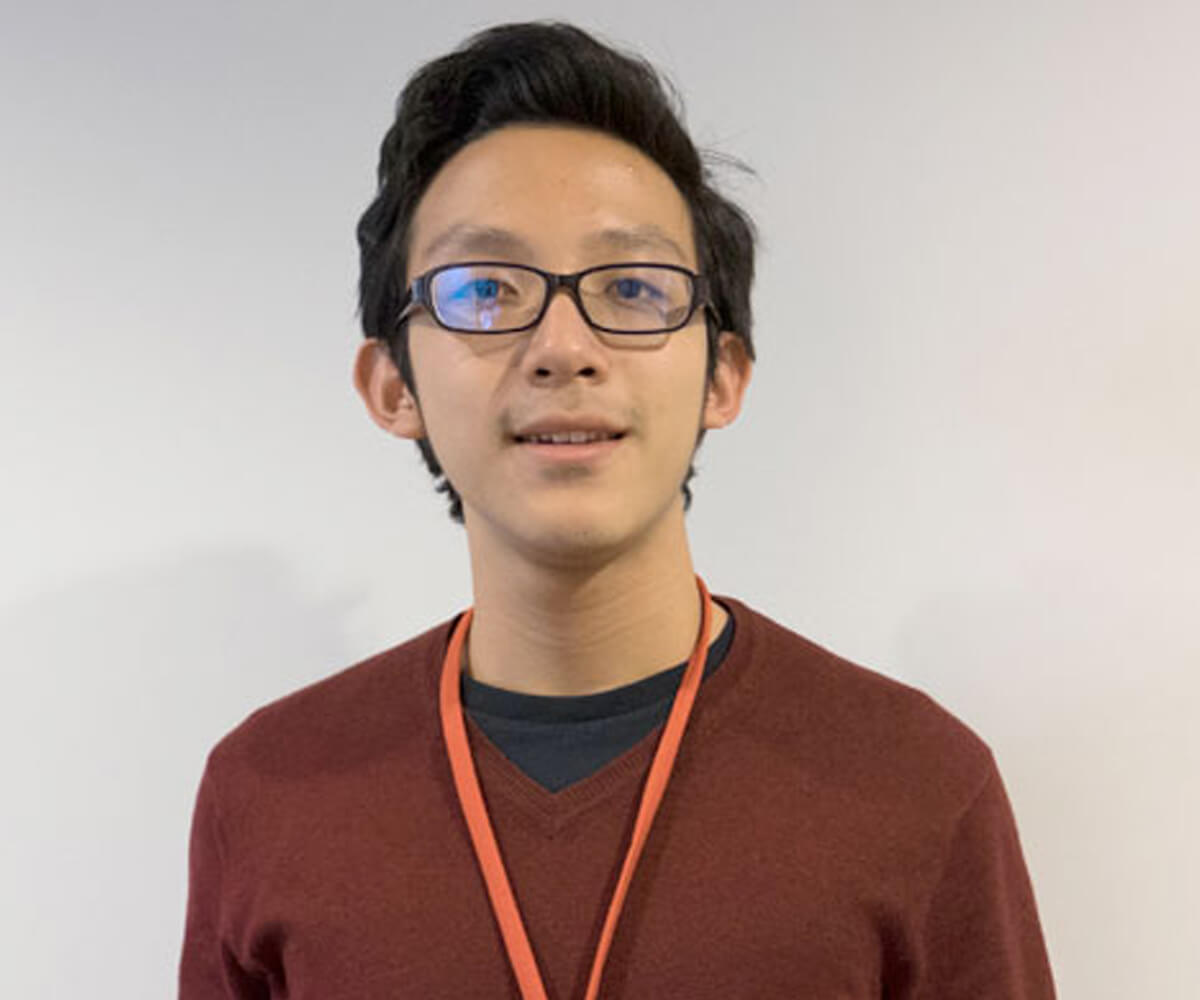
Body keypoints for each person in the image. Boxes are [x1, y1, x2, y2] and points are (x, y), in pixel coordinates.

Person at [178, 21, 1057, 999]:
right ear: (393, 387)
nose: (563, 345)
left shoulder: (917, 783)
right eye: (484, 289)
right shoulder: (267, 790)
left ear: (723, 376)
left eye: (634, 287)